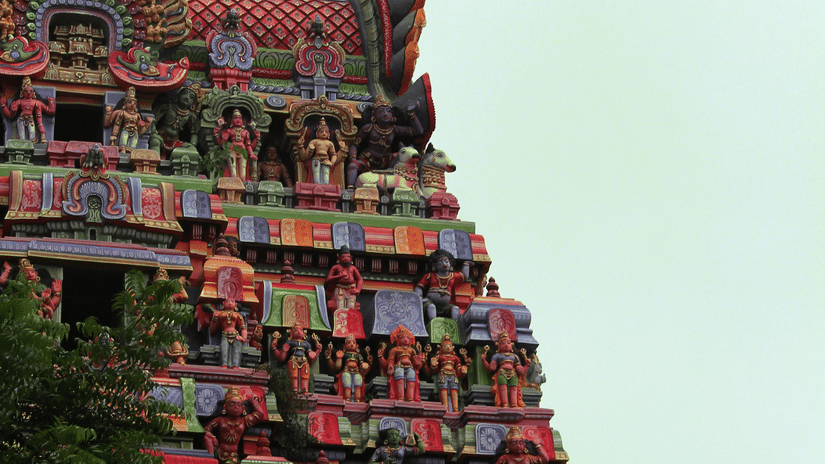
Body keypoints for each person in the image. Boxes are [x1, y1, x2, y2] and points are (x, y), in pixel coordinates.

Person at [346, 96, 423, 187]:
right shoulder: (368, 128)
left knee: (401, 159)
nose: (386, 114)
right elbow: (354, 144)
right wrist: (353, 158)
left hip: (386, 160)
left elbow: (418, 131)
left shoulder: (393, 129)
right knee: (352, 166)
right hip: (368, 158)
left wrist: (411, 114)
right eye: (381, 111)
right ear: (374, 115)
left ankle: (399, 186)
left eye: (388, 111)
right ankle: (350, 189)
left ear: (393, 115)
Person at [203, 386, 266, 464]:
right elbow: (206, 430)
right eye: (232, 404)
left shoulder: (244, 421)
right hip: (218, 453)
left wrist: (254, 403)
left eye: (239, 404)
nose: (235, 407)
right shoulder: (220, 420)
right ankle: (209, 460)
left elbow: (260, 415)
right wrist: (212, 437)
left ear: (243, 408)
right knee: (207, 438)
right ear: (225, 407)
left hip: (233, 456)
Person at [414, 249, 472, 321]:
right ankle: (433, 324)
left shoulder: (453, 276)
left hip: (445, 306)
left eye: (446, 261)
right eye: (440, 263)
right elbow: (419, 286)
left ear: (450, 263)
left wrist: (466, 264)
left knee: (455, 309)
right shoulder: (430, 275)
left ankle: (455, 325)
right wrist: (419, 298)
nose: (444, 264)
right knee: (431, 308)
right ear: (434, 266)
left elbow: (464, 276)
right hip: (430, 302)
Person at [378, 324, 428, 402]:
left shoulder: (411, 350)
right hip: (399, 366)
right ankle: (400, 397)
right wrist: (391, 365)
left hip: (410, 367)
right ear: (397, 340)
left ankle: (410, 397)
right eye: (402, 337)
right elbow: (391, 359)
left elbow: (414, 361)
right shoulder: (394, 350)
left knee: (411, 378)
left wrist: (419, 360)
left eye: (407, 338)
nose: (405, 339)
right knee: (399, 377)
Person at [481, 332, 530, 408]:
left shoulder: (514, 356)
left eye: (508, 343)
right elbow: (492, 368)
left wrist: (527, 365)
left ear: (511, 345)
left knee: (514, 388)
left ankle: (514, 404)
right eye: (503, 343)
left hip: (513, 374)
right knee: (503, 388)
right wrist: (484, 360)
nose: (506, 345)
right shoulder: (497, 356)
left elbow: (521, 370)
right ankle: (505, 404)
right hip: (502, 373)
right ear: (499, 346)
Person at [0, 76, 56, 143]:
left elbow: (49, 111)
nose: (28, 93)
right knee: (22, 138)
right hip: (21, 119)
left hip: (30, 120)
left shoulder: (36, 102)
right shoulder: (19, 101)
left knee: (32, 137)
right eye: (26, 91)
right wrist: (4, 105)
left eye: (30, 91)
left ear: (33, 93)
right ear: (22, 92)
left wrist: (51, 102)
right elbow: (10, 115)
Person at [270, 323, 322, 393]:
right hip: (293, 360)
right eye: (296, 330)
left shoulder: (306, 343)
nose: (298, 331)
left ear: (304, 333)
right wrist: (284, 349)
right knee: (293, 375)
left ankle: (304, 390)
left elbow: (310, 352)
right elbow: (283, 355)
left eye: (300, 330)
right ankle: (294, 390)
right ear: (291, 333)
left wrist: (312, 352)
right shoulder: (290, 341)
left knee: (305, 376)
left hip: (304, 360)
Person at [153, 84, 200, 157]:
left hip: (174, 142)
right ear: (177, 95)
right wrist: (153, 132)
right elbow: (153, 119)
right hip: (160, 136)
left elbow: (195, 132)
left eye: (191, 97)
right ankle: (154, 162)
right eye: (184, 93)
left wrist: (193, 144)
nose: (187, 97)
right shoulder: (168, 106)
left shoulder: (191, 116)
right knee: (155, 141)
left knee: (191, 149)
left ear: (193, 104)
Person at [426, 334, 470, 412]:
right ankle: (445, 408)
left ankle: (455, 409)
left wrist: (463, 371)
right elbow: (434, 370)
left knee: (454, 390)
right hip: (443, 374)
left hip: (453, 375)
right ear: (441, 348)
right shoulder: (439, 357)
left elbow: (458, 369)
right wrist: (433, 365)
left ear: (452, 348)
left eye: (449, 345)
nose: (448, 347)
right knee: (443, 390)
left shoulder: (455, 358)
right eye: (446, 346)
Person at [214, 108, 260, 181]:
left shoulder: (245, 132)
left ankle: (243, 184)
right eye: (236, 118)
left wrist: (251, 153)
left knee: (243, 172)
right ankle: (233, 184)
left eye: (240, 118)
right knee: (233, 171)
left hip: (243, 151)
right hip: (232, 150)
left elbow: (248, 144)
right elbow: (223, 144)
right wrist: (217, 133)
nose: (238, 120)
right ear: (232, 121)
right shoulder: (229, 131)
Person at [297, 117, 345, 184]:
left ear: (328, 134)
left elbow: (333, 154)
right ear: (317, 134)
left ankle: (326, 186)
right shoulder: (314, 141)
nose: (324, 133)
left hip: (326, 159)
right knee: (316, 173)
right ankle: (317, 185)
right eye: (321, 131)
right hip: (316, 159)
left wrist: (331, 163)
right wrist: (308, 149)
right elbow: (306, 157)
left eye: (326, 131)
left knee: (326, 174)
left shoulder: (330, 143)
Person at [104, 86, 153, 152]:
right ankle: (123, 152)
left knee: (133, 146)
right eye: (129, 102)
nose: (132, 104)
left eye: (134, 103)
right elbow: (117, 124)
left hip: (135, 131)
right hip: (126, 130)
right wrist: (114, 136)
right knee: (123, 144)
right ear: (125, 104)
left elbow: (140, 130)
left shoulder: (137, 115)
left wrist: (146, 125)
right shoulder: (122, 113)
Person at [325, 334, 372, 402]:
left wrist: (365, 365)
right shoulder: (344, 354)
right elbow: (337, 367)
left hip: (356, 372)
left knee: (358, 382)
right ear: (345, 346)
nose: (351, 344)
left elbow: (362, 365)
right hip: (346, 371)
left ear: (357, 346)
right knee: (347, 383)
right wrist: (339, 358)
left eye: (353, 342)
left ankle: (357, 399)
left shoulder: (358, 356)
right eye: (349, 343)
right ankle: (347, 398)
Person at [209, 298, 247, 368]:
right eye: (227, 301)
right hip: (225, 334)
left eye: (232, 301)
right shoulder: (219, 314)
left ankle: (235, 365)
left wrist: (243, 337)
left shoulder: (238, 315)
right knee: (224, 349)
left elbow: (243, 328)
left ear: (235, 304)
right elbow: (212, 330)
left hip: (236, 335)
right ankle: (224, 364)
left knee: (236, 350)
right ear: (223, 303)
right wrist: (214, 319)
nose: (229, 303)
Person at [324, 246, 363, 311]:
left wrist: (358, 289)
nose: (346, 258)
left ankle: (349, 320)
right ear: (339, 258)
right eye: (343, 257)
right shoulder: (335, 267)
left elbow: (360, 279)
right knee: (340, 306)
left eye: (348, 257)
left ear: (351, 258)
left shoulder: (353, 268)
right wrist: (340, 276)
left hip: (351, 290)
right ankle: (341, 320)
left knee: (351, 307)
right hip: (340, 289)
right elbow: (328, 279)